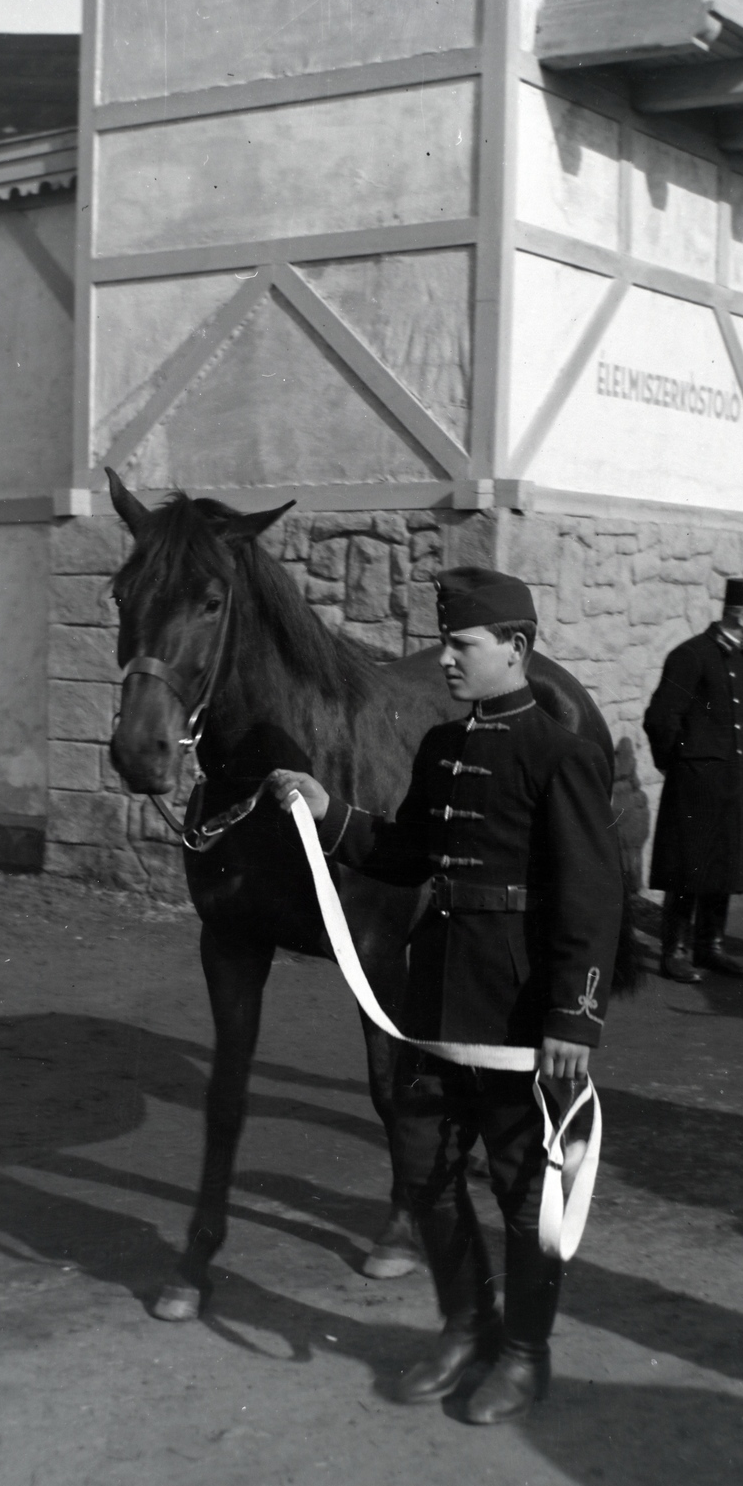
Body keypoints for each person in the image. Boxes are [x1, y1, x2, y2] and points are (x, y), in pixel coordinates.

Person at [268, 567, 623, 1424]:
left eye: (463, 646)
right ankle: (466, 1325)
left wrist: (572, 1016)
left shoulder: (559, 753)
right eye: (447, 644)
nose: (448, 661)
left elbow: (590, 895)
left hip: (515, 1002)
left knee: (522, 1187)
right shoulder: (441, 747)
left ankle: (526, 1354)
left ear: (516, 648)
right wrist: (328, 813)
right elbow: (404, 852)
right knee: (423, 1169)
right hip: (435, 994)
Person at [643, 578, 743, 982]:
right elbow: (661, 718)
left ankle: (710, 946)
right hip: (698, 785)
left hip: (734, 785)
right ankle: (675, 950)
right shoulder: (691, 655)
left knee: (724, 866)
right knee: (688, 869)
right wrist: (678, 766)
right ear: (741, 613)